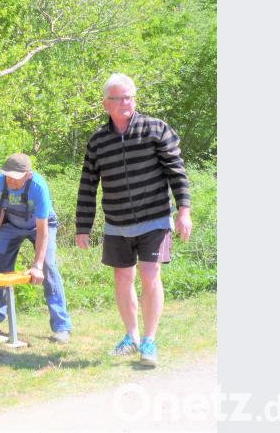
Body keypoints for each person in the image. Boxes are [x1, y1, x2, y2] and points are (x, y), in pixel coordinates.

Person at [75, 73, 193, 367]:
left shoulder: (156, 129)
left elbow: (176, 172)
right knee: (122, 277)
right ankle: (131, 336)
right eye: (118, 98)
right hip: (117, 222)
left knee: (150, 274)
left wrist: (184, 210)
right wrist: (82, 227)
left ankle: (150, 341)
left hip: (155, 218)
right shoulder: (98, 142)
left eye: (129, 96)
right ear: (106, 104)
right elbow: (88, 185)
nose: (125, 102)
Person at [0, 153, 73, 343]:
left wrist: (37, 265)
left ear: (28, 175)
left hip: (39, 226)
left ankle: (61, 326)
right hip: (10, 225)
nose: (10, 180)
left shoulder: (38, 186)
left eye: (15, 177)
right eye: (8, 175)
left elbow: (42, 229)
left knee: (48, 265)